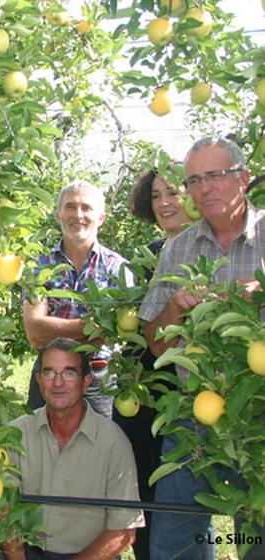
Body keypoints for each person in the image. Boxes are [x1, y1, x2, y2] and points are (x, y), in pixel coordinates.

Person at [138, 137, 265, 560]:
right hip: (194, 420)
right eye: (195, 180)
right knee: (175, 545)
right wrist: (174, 307)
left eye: (216, 176)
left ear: (243, 179)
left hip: (260, 418)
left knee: (258, 541)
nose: (205, 188)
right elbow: (157, 344)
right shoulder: (177, 249)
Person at [2, 337, 144, 560]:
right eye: (49, 373)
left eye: (69, 373)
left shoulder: (113, 442)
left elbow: (123, 531)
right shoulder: (15, 435)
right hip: (25, 553)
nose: (58, 383)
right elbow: (3, 513)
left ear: (86, 381)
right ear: (38, 380)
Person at [117, 166, 193, 560]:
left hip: (193, 393)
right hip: (145, 393)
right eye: (156, 196)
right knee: (146, 493)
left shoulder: (211, 254)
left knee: (188, 501)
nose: (165, 203)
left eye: (173, 192)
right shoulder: (146, 258)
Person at [23, 180, 130, 418]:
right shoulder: (39, 265)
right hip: (49, 376)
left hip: (99, 380)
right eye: (70, 207)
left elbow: (118, 331)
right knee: (43, 449)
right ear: (58, 215)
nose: (78, 215)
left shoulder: (119, 269)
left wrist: (55, 330)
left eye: (86, 208)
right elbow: (34, 331)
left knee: (100, 450)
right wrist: (91, 327)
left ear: (101, 217)